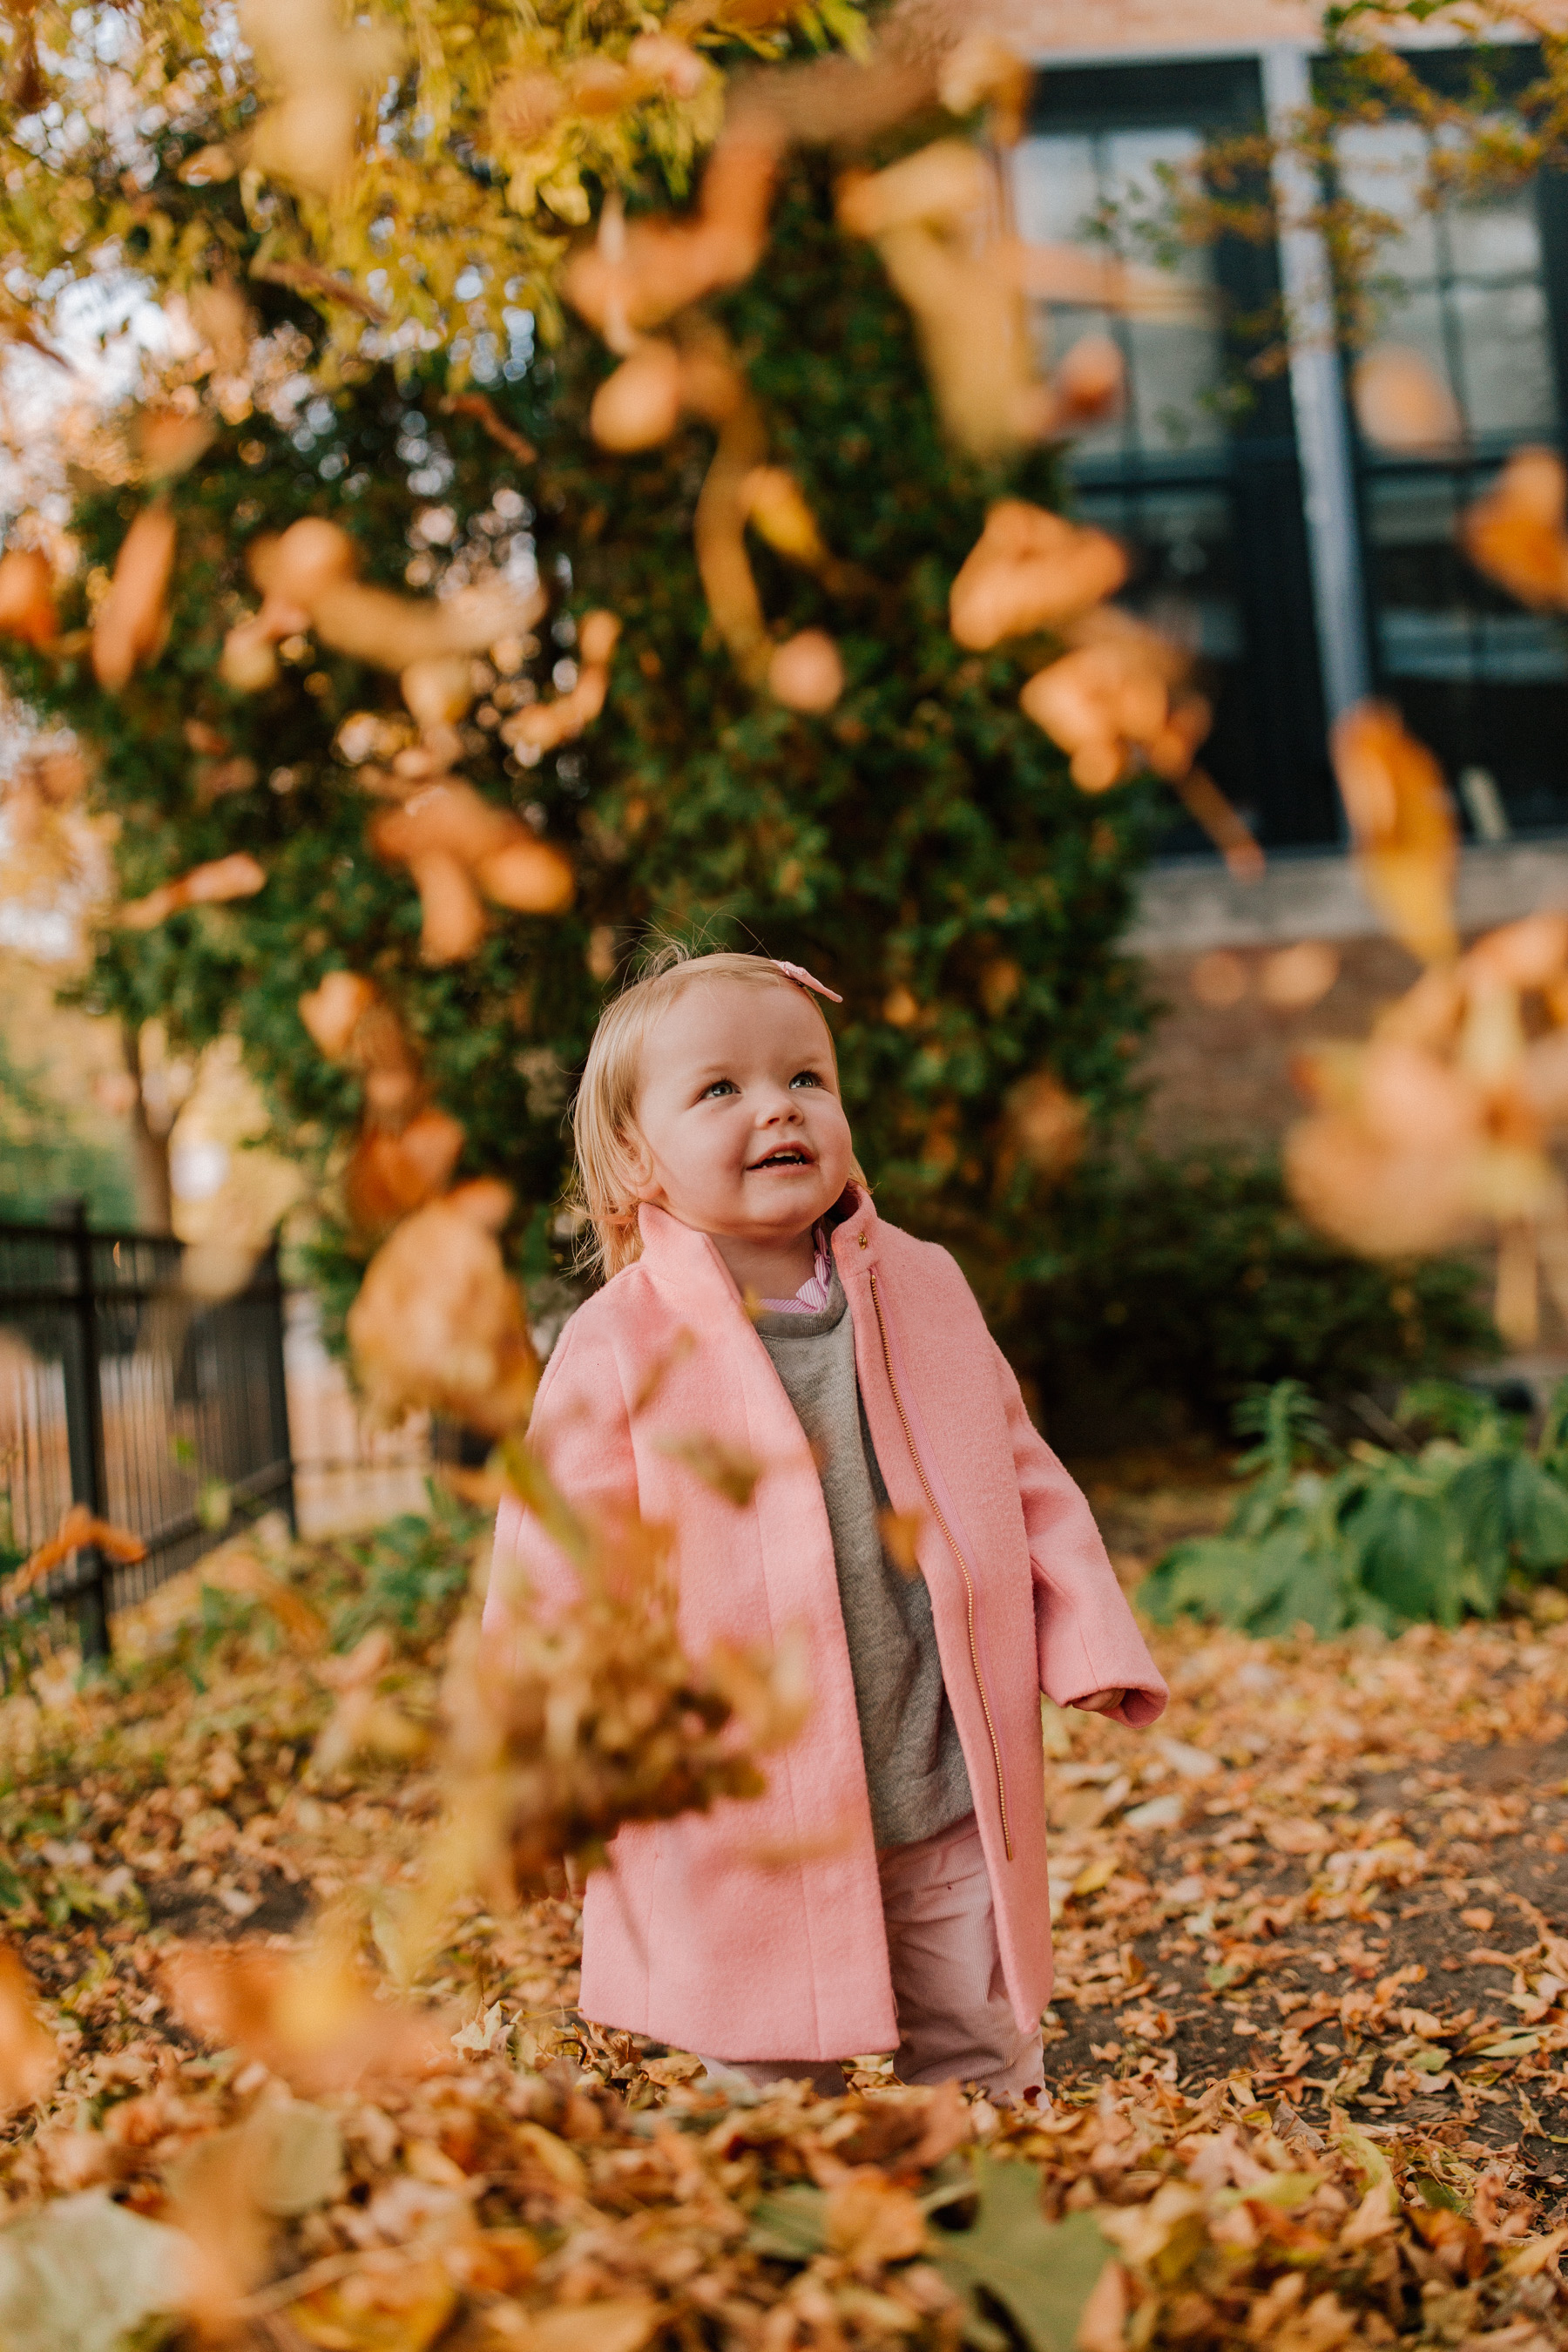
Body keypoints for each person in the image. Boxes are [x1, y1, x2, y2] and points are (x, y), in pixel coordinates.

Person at [484, 946, 1167, 2101]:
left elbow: (1023, 1477)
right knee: (772, 2088)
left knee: (981, 2052)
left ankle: (986, 2246)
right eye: (721, 1090)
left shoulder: (924, 1288)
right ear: (638, 1156)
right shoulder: (618, 1346)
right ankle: (811, 2252)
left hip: (937, 1778)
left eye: (808, 1078)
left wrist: (1086, 1636)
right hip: (738, 1814)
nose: (778, 1108)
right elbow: (558, 1573)